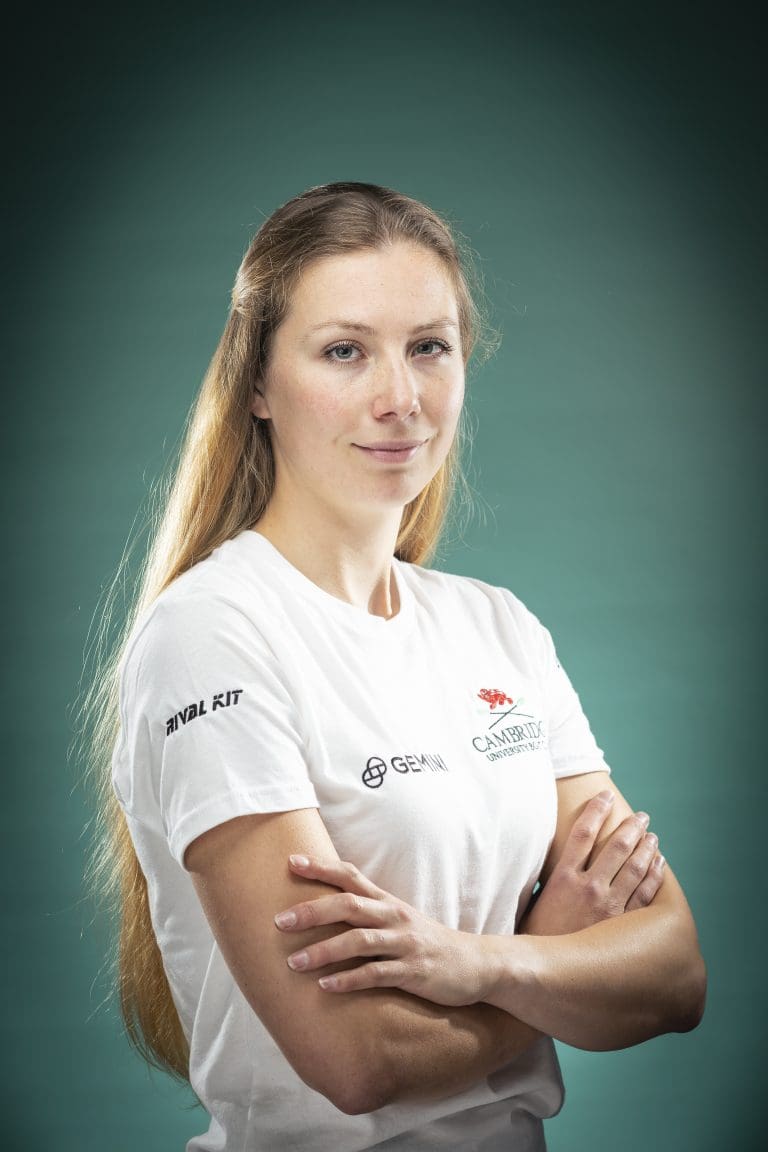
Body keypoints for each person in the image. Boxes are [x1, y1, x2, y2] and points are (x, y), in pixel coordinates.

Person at [89, 181, 706, 1151]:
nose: (400, 399)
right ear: (257, 385)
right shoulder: (214, 634)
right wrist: (550, 953)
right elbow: (359, 1060)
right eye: (345, 350)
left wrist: (477, 964)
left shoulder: (499, 629)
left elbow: (672, 974)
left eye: (429, 347)